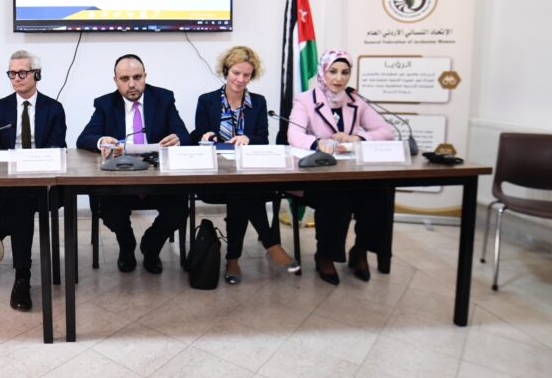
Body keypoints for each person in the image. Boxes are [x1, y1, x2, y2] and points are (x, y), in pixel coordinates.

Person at [190, 46, 300, 283]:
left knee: (241, 191)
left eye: (246, 75)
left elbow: (263, 138)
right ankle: (271, 245)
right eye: (236, 73)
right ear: (226, 71)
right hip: (215, 175)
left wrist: (248, 138)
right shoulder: (207, 100)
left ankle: (233, 259)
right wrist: (206, 135)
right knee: (242, 192)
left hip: (249, 172)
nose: (240, 79)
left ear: (252, 76)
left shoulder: (258, 102)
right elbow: (198, 134)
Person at [287, 49, 396, 285]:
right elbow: (294, 135)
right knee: (337, 198)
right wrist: (318, 143)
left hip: (351, 173)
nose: (339, 78)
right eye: (333, 71)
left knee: (380, 193)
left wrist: (359, 138)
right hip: (316, 175)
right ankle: (325, 255)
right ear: (323, 72)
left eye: (345, 72)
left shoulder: (356, 100)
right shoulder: (305, 100)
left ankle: (360, 250)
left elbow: (387, 131)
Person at [76, 54, 191, 274]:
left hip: (158, 177)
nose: (131, 84)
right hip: (121, 178)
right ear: (115, 81)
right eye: (124, 78)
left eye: (137, 77)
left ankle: (152, 245)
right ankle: (126, 245)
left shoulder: (164, 99)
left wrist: (178, 139)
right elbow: (84, 139)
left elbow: (185, 135)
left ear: (145, 76)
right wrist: (102, 141)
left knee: (178, 208)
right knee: (108, 208)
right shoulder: (105, 104)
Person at [0, 50, 66, 310]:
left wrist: (33, 165)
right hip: (7, 182)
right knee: (22, 203)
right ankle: (21, 277)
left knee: (23, 201)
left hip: (41, 180)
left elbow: (57, 146)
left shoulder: (53, 108)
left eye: (22, 73)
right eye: (12, 74)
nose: (16, 78)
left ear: (37, 75)